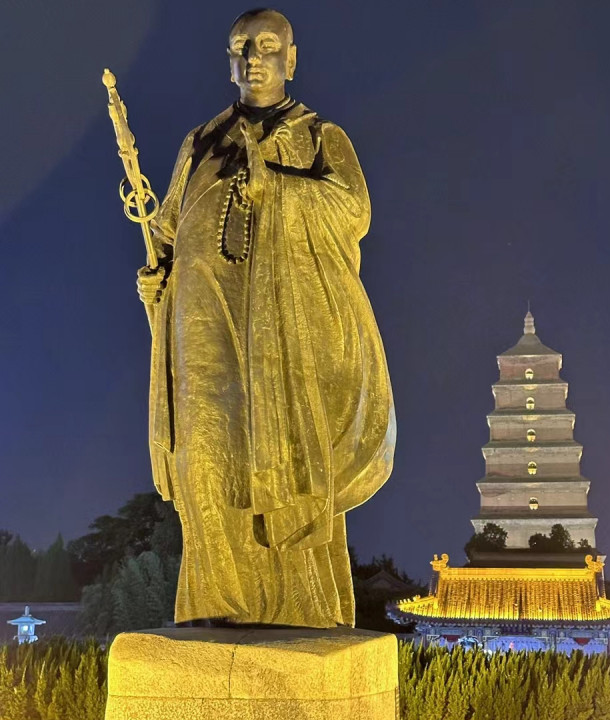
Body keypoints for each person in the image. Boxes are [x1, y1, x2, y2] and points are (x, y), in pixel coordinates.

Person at [136, 8, 395, 628]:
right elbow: (168, 229)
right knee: (204, 460)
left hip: (278, 335)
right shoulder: (200, 143)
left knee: (281, 468)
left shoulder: (318, 136)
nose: (253, 57)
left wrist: (274, 186)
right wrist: (158, 280)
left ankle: (295, 613)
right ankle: (213, 609)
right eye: (241, 46)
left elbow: (352, 210)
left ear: (291, 59)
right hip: (200, 323)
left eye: (268, 45)